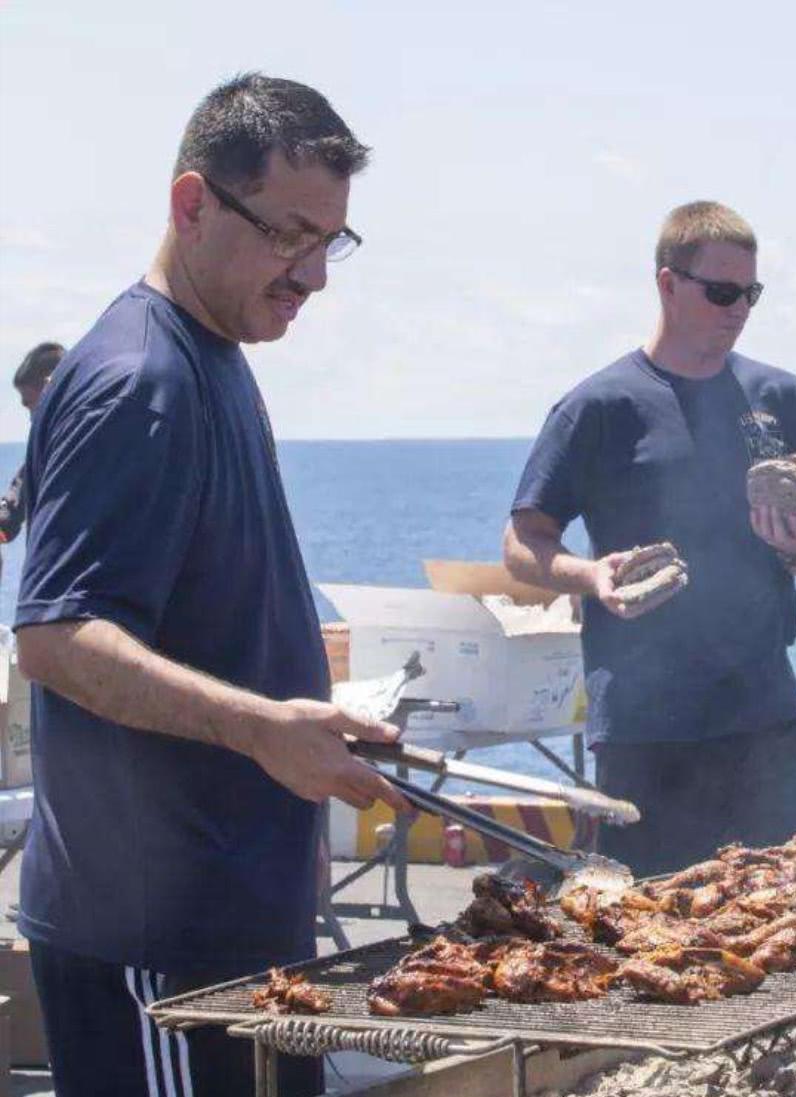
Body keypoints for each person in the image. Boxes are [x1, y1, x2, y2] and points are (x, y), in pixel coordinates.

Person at [14, 73, 404, 1097]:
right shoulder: (139, 381)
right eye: (289, 236)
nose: (312, 275)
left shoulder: (215, 354)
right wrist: (264, 729)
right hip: (155, 947)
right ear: (193, 204)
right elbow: (56, 636)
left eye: (330, 243)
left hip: (228, 928)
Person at [504, 200, 796, 877]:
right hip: (647, 730)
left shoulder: (779, 397)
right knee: (655, 922)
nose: (738, 309)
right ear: (667, 283)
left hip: (766, 716)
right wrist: (591, 576)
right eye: (721, 292)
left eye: (750, 293)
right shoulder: (600, 407)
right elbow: (522, 542)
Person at [0, 342, 63, 556]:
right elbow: (9, 512)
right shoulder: (44, 450)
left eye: (29, 404)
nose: (31, 418)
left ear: (49, 387)